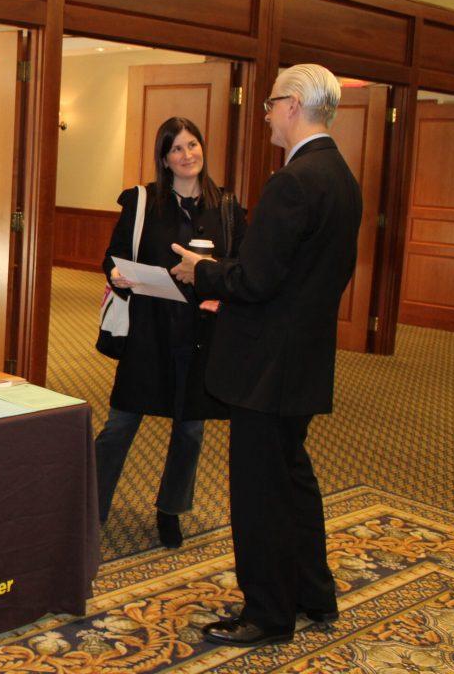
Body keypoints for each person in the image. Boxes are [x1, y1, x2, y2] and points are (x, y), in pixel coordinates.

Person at [171, 64, 361, 647]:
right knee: (292, 481)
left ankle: (268, 613)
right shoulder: (342, 177)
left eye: (272, 103)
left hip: (264, 369)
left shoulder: (294, 181)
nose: (266, 114)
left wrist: (201, 272)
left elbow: (254, 279)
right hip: (302, 360)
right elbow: (300, 279)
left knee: (259, 494)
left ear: (296, 104)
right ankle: (313, 592)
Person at [96, 117, 245, 548]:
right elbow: (113, 256)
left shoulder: (228, 207)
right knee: (121, 423)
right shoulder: (144, 201)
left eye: (192, 145)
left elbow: (239, 264)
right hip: (150, 329)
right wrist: (118, 274)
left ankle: (170, 511)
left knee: (190, 429)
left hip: (201, 332)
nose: (187, 155)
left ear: (203, 148)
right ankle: (91, 504)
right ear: (164, 158)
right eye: (176, 149)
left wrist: (213, 277)